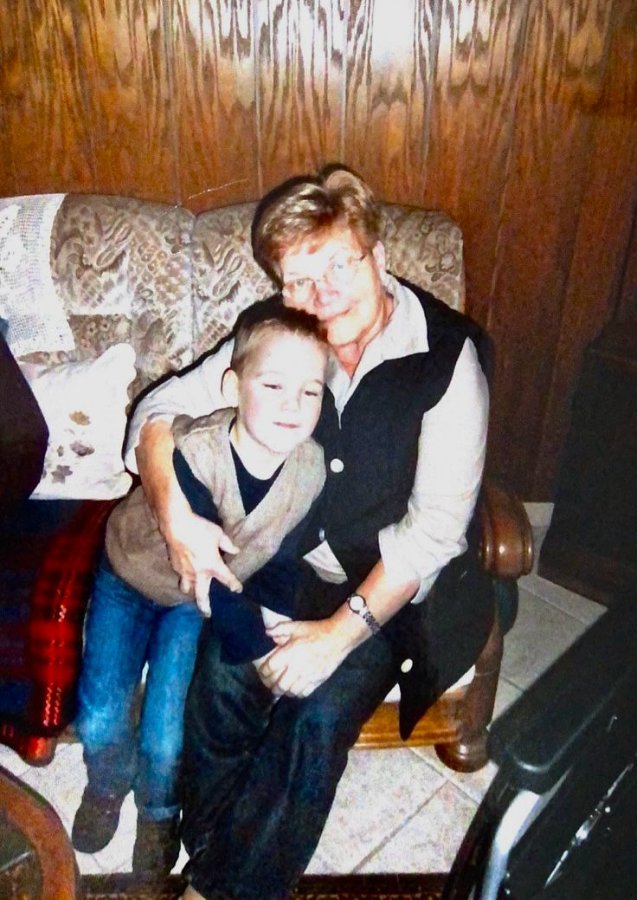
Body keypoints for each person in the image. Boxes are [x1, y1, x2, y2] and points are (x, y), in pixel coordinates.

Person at [125, 164, 494, 900]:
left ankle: (221, 889)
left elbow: (433, 535)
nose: (320, 295)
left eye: (337, 267)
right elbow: (158, 410)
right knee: (224, 677)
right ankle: (215, 853)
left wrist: (336, 635)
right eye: (298, 280)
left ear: (378, 256)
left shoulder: (448, 358)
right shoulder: (283, 335)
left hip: (391, 592)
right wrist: (174, 515)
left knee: (315, 714)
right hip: (283, 564)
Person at [72, 303, 328, 876]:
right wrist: (259, 654)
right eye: (273, 385)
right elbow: (212, 575)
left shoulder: (310, 471)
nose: (293, 405)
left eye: (310, 392)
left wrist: (277, 622)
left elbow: (280, 559)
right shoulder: (197, 452)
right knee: (100, 715)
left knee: (167, 732)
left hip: (192, 605)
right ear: (232, 388)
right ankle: (106, 783)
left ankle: (159, 812)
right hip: (132, 577)